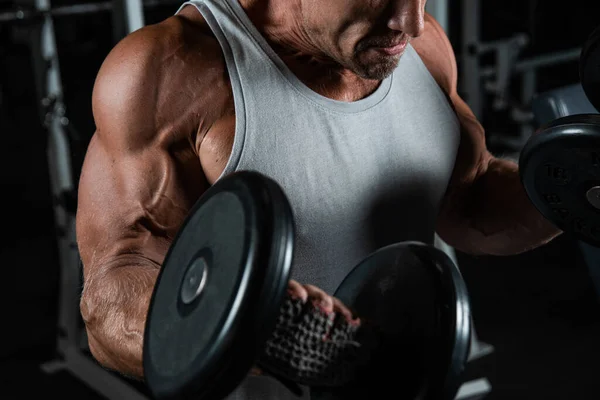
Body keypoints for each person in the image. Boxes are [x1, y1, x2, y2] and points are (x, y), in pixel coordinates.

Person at [75, 0, 562, 398]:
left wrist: (568, 184)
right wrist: (261, 331)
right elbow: (109, 301)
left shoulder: (418, 43)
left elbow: (469, 201)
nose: (409, 21)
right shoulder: (172, 69)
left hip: (410, 380)